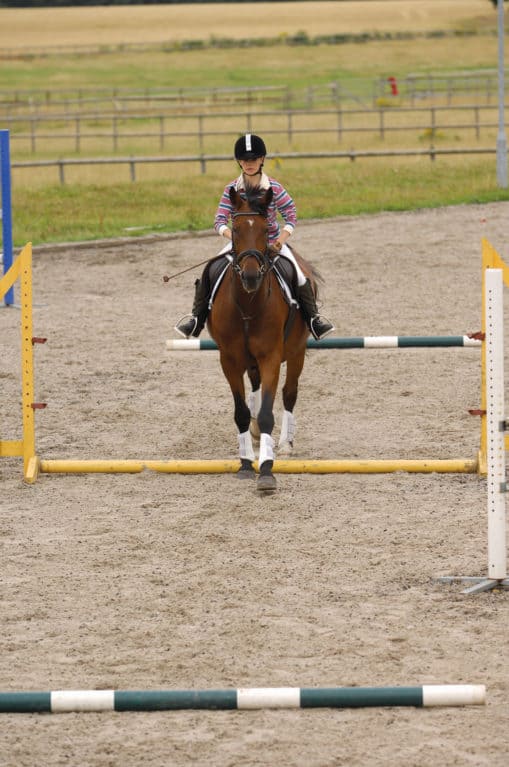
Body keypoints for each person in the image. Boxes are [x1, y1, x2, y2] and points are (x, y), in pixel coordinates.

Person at [174, 133, 334, 340]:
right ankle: (196, 319)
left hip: (271, 243)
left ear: (262, 160)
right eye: (244, 160)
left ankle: (314, 319)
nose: (249, 164)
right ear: (239, 162)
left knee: (299, 275)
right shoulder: (231, 189)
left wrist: (280, 240)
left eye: (253, 159)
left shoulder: (274, 188)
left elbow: (291, 215)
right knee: (209, 271)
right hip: (240, 246)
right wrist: (235, 237)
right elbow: (219, 221)